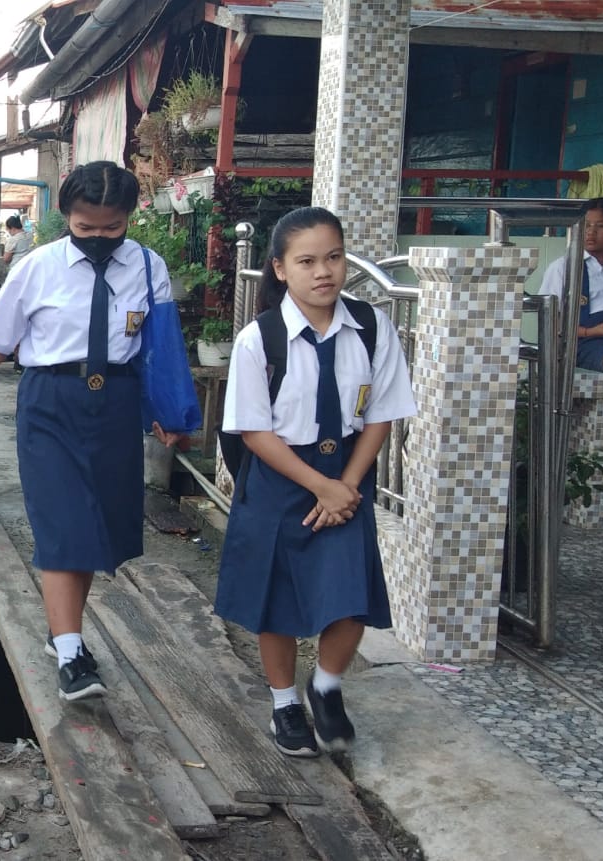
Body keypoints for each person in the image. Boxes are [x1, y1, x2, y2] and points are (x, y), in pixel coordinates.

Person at [0, 162, 185, 702]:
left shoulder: (147, 267)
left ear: (127, 218)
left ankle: (61, 632)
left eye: (110, 228)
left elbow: (159, 350)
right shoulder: (37, 267)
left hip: (115, 405)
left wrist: (169, 411)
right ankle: (72, 654)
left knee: (94, 527)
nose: (98, 239)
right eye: (85, 227)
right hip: (52, 402)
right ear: (65, 217)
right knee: (63, 522)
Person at [215, 206, 417, 758]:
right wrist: (319, 486)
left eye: (333, 257)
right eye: (306, 261)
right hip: (281, 477)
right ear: (280, 269)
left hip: (346, 475)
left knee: (350, 593)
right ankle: (284, 704)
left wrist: (345, 486)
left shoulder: (372, 328)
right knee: (274, 600)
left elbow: (382, 414)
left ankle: (326, 685)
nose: (323, 271)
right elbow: (254, 432)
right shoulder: (261, 340)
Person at [539, 197, 603, 377]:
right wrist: (590, 331)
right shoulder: (563, 268)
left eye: (601, 226)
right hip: (585, 341)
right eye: (586, 225)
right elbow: (549, 322)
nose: (590, 232)